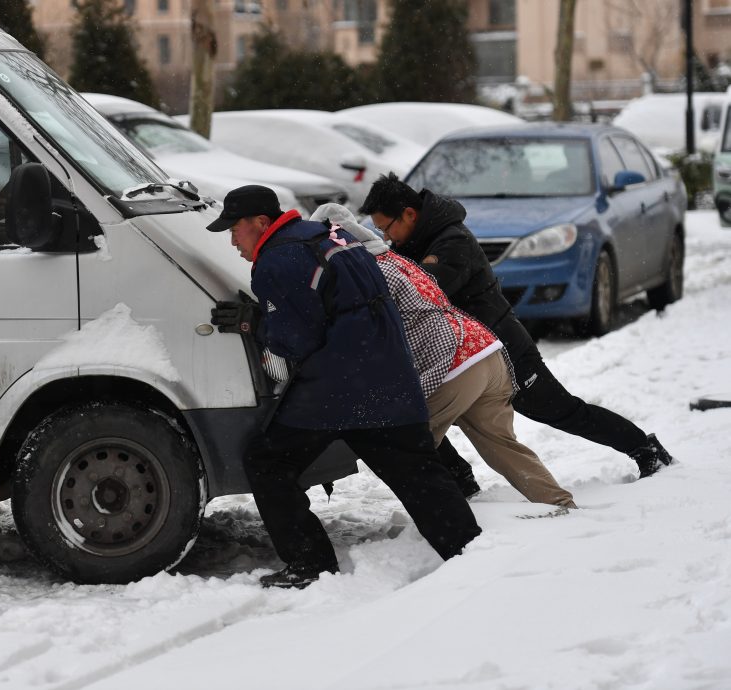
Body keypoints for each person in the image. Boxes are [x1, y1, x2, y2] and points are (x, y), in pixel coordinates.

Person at [208, 185, 481, 590]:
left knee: (268, 463)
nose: (232, 240)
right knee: (418, 471)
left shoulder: (277, 260)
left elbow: (293, 341)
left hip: (337, 387)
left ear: (262, 223)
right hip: (390, 372)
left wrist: (255, 323)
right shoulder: (333, 236)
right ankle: (473, 554)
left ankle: (310, 563)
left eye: (235, 229)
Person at [358, 174, 674, 490]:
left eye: (387, 228)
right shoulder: (416, 240)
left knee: (560, 410)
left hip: (503, 346)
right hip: (465, 350)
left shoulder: (451, 242)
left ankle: (645, 448)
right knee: (420, 413)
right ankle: (460, 482)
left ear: (410, 214)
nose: (387, 237)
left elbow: (423, 292)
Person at [311, 203, 575, 508]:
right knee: (502, 447)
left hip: (453, 365)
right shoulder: (392, 258)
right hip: (485, 349)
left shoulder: (362, 272)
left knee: (403, 444)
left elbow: (362, 335)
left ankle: (452, 527)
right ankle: (560, 504)